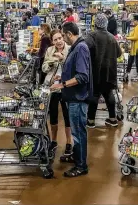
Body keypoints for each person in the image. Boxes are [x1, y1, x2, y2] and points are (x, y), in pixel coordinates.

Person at [50, 22, 92, 177]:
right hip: (73, 96)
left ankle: (81, 166)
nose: (63, 40)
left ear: (68, 34)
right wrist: (63, 76)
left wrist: (62, 84)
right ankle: (76, 156)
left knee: (78, 133)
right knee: (76, 131)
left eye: (63, 36)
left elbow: (82, 76)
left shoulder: (81, 48)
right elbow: (74, 70)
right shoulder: (77, 47)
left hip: (78, 98)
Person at [85, 14, 122, 128]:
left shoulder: (92, 35)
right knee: (108, 94)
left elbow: (85, 50)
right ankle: (113, 119)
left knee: (94, 95)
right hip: (110, 71)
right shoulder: (112, 37)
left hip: (96, 71)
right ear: (106, 24)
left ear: (95, 24)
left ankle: (91, 121)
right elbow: (119, 53)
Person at [42, 29, 72, 161]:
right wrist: (51, 62)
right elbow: (43, 68)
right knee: (53, 115)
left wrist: (63, 59)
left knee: (67, 115)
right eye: (55, 39)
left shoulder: (71, 49)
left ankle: (69, 143)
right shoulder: (49, 51)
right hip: (53, 88)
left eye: (60, 38)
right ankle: (53, 141)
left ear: (63, 37)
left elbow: (74, 69)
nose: (59, 41)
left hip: (66, 87)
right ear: (52, 42)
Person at [126, 15, 138, 80]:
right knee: (132, 60)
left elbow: (136, 37)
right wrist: (129, 36)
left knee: (137, 61)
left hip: (137, 47)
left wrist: (127, 38)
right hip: (136, 46)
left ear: (136, 20)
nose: (133, 22)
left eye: (133, 20)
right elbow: (134, 35)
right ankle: (127, 72)